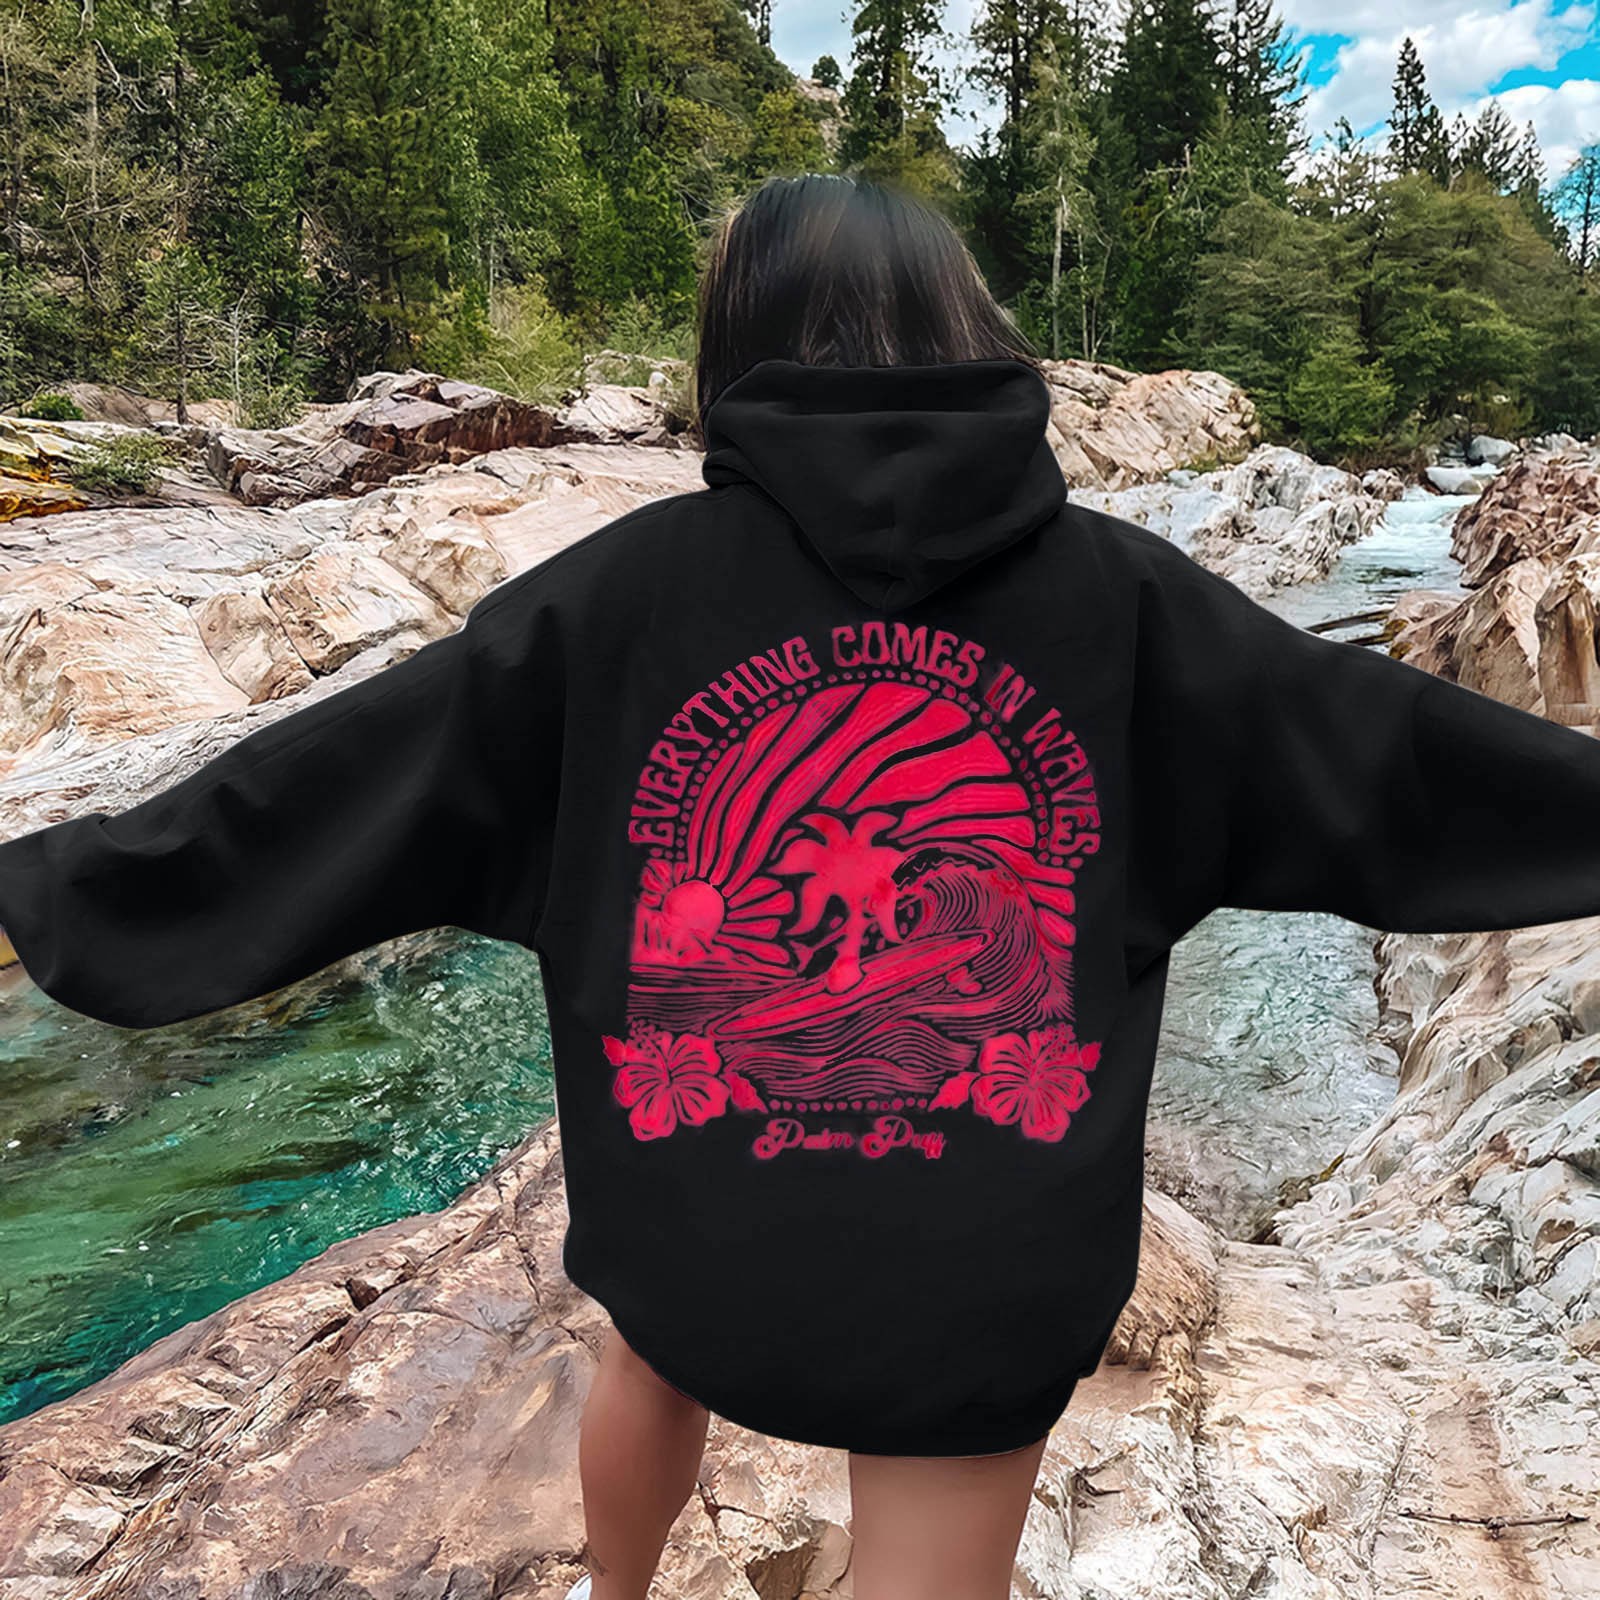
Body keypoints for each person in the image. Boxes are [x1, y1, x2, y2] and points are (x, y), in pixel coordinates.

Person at [6, 172, 1600, 1600]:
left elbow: (329, 790)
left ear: (737, 348)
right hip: (989, 1264)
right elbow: (1395, 759)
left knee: (646, 1341)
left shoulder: (618, 598)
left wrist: (60, 891)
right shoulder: (1132, 602)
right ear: (971, 331)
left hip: (700, 1231)